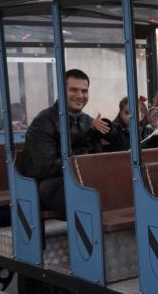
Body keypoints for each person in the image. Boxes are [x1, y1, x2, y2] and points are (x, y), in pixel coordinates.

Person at [23, 69, 117, 214]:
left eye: (84, 91)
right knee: (92, 194)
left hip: (81, 178)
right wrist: (84, 162)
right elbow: (44, 167)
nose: (80, 96)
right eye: (74, 90)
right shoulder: (43, 122)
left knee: (119, 185)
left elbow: (96, 155)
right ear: (61, 90)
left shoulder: (87, 121)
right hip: (50, 184)